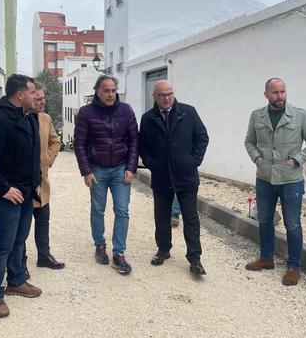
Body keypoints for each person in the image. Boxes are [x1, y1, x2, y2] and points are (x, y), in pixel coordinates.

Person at [244, 77, 306, 286]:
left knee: (293, 224)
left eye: (283, 92)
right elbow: (249, 142)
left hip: (291, 179)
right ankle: (266, 258)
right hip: (265, 178)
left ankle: (293, 267)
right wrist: (258, 159)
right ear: (266, 94)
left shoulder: (300, 115)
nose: (280, 96)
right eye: (276, 92)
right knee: (264, 220)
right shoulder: (257, 116)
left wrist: (297, 159)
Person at [0, 74, 42, 318]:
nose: (36, 95)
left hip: (25, 192)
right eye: (32, 91)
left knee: (19, 239)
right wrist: (4, 188)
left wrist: (35, 183)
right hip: (4, 196)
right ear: (19, 95)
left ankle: (16, 280)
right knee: (2, 244)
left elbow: (32, 155)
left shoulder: (27, 118)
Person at [139, 80, 209, 276]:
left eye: (169, 93)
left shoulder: (188, 112)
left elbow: (202, 137)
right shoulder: (148, 118)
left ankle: (195, 258)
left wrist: (193, 160)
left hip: (186, 176)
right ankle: (163, 250)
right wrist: (151, 163)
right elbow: (142, 145)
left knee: (190, 217)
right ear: (154, 97)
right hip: (161, 177)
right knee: (161, 215)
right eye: (162, 95)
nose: (166, 98)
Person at [74, 75, 138, 275]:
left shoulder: (126, 110)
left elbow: (134, 141)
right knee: (98, 209)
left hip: (120, 167)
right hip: (97, 169)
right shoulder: (86, 113)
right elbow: (79, 144)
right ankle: (100, 245)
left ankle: (119, 253)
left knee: (122, 210)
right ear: (97, 92)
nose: (110, 94)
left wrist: (131, 168)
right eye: (106, 91)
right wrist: (86, 171)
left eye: (113, 90)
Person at [22, 82, 64, 278]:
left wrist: (48, 160)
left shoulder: (46, 118)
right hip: (23, 181)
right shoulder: (20, 119)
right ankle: (20, 261)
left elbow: (55, 141)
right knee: (22, 225)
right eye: (37, 99)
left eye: (42, 99)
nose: (41, 103)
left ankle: (44, 256)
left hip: (42, 181)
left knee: (43, 219)